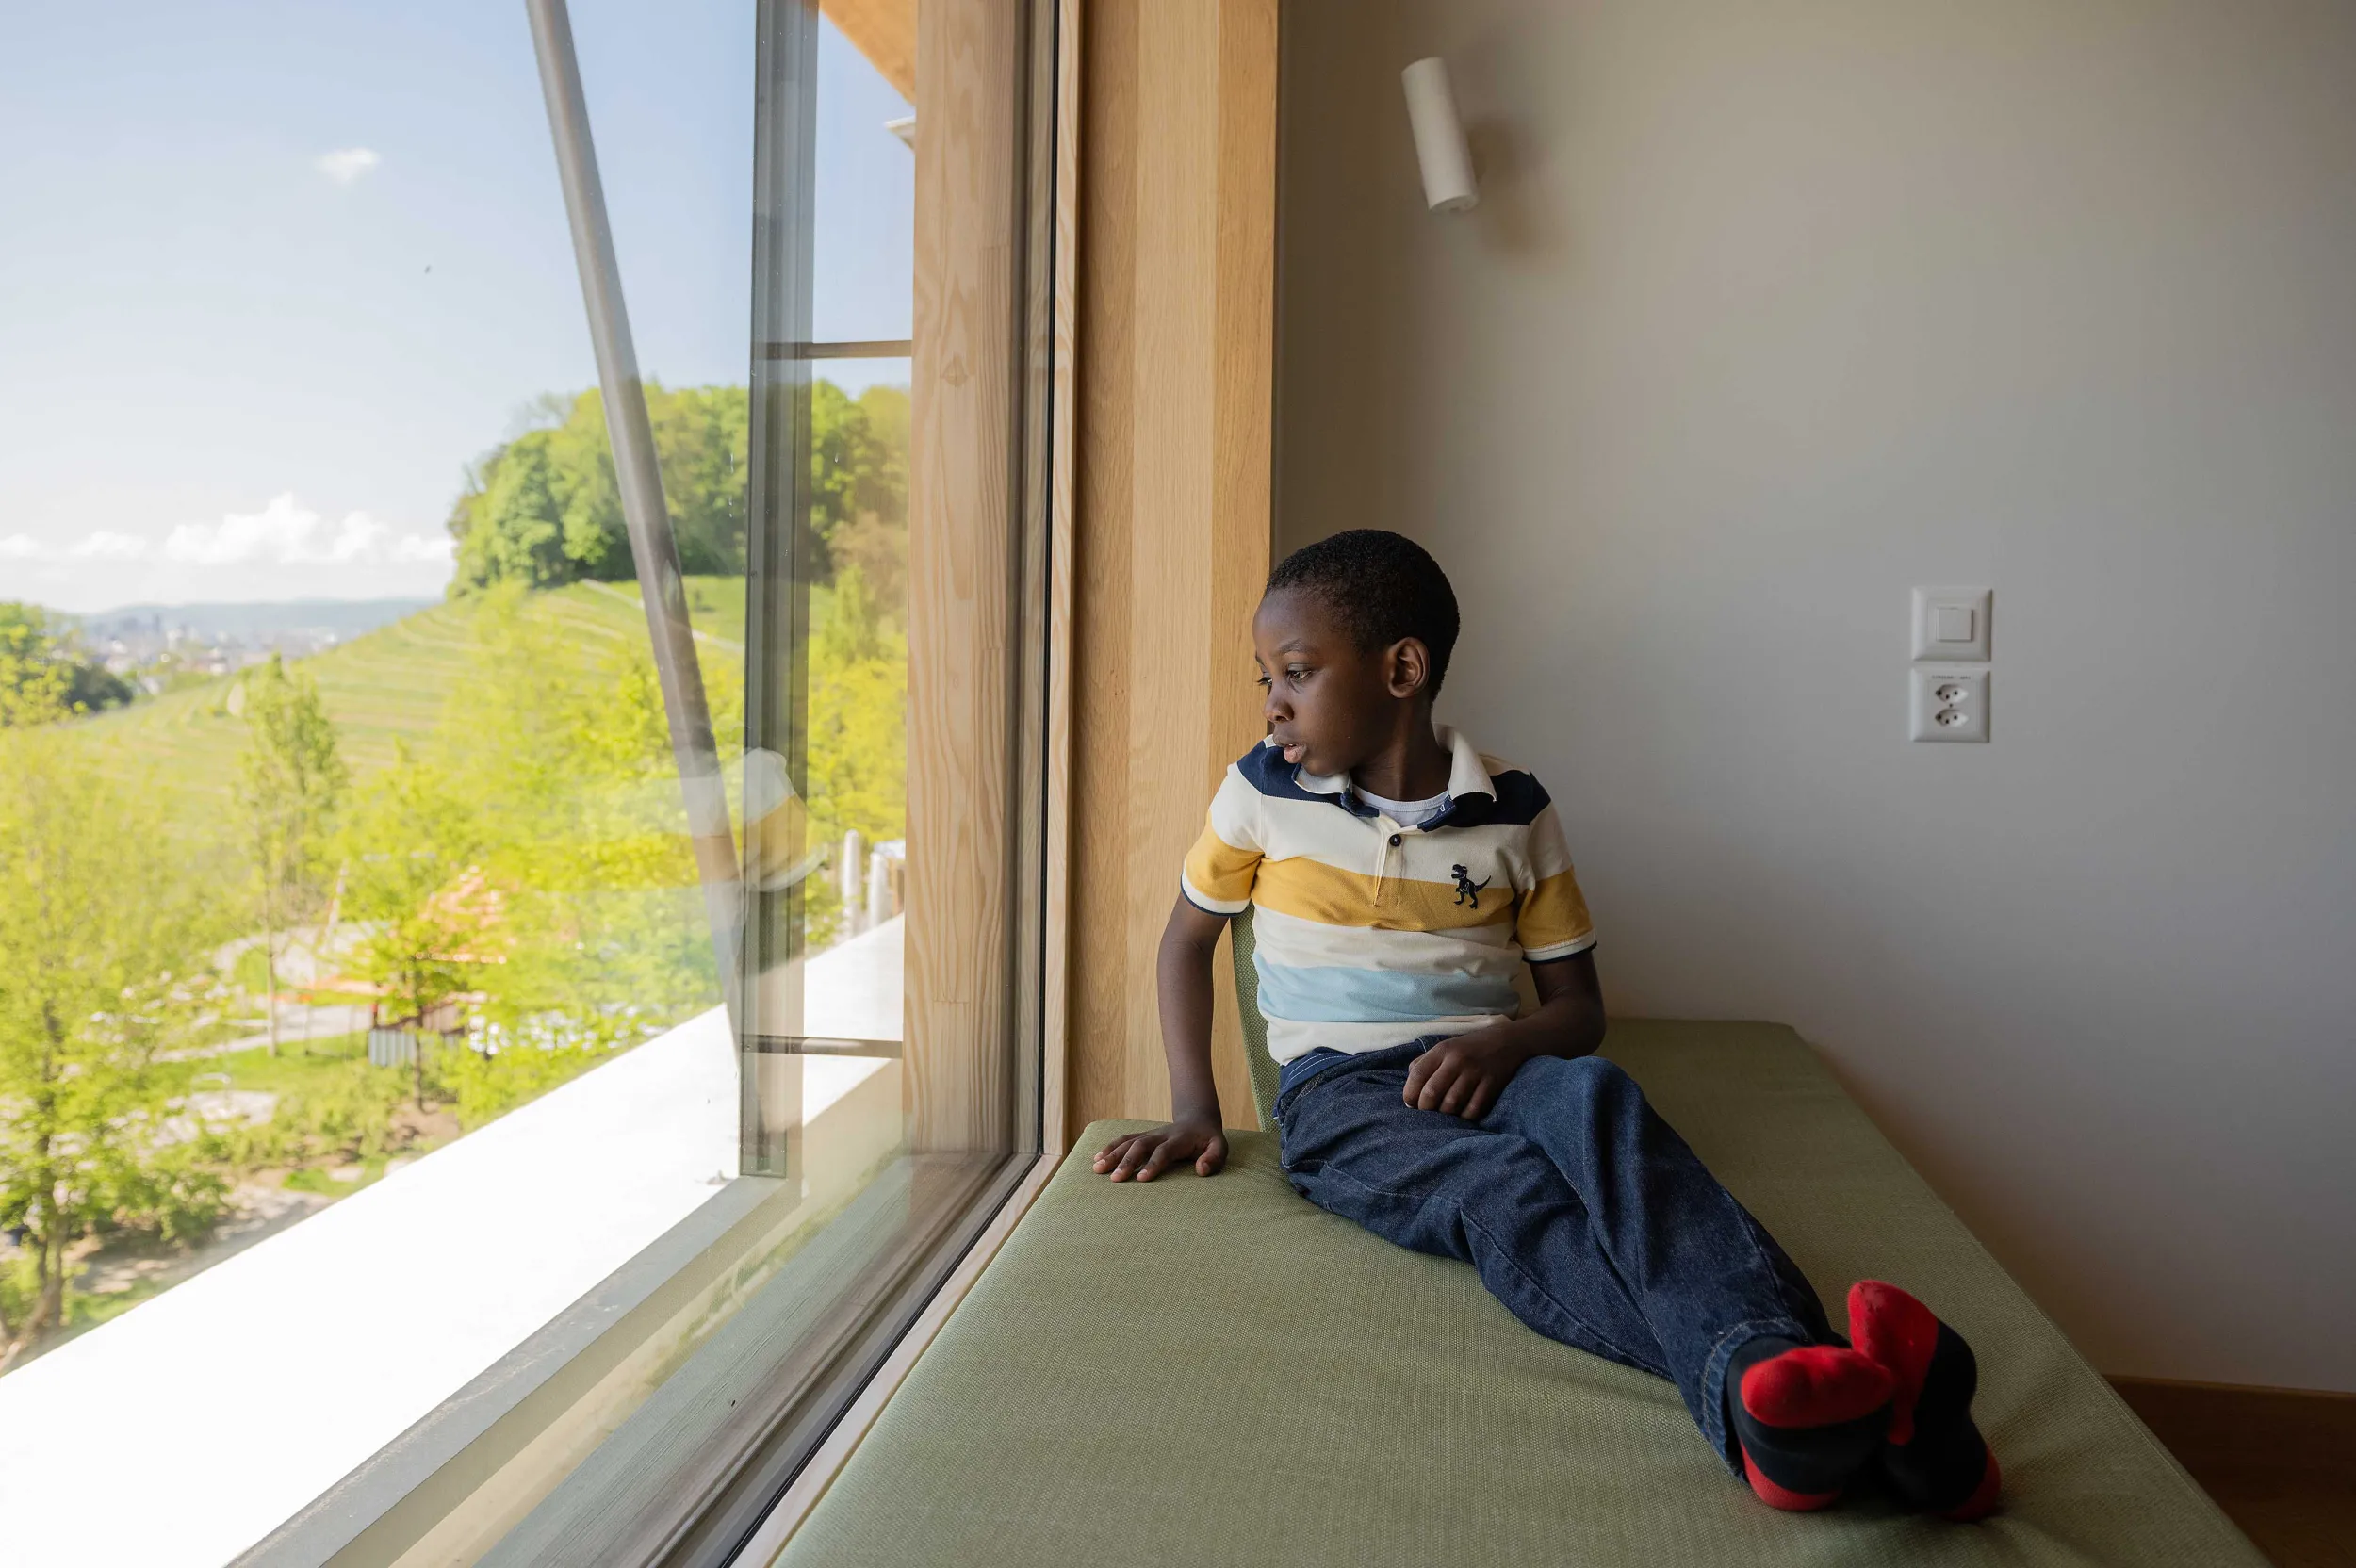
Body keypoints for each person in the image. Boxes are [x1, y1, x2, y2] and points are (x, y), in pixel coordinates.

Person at [1093, 529, 2001, 1518]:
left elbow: (1579, 1012)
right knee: (1507, 1188)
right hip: (1341, 1096)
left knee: (1601, 1099)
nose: (1270, 700)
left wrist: (1505, 1041)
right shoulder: (1259, 792)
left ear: (1402, 668)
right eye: (1266, 675)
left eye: (1296, 673)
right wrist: (1196, 1107)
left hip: (1500, 1065)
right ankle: (1812, 1394)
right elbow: (1185, 942)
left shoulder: (1516, 808)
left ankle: (1815, 1415)